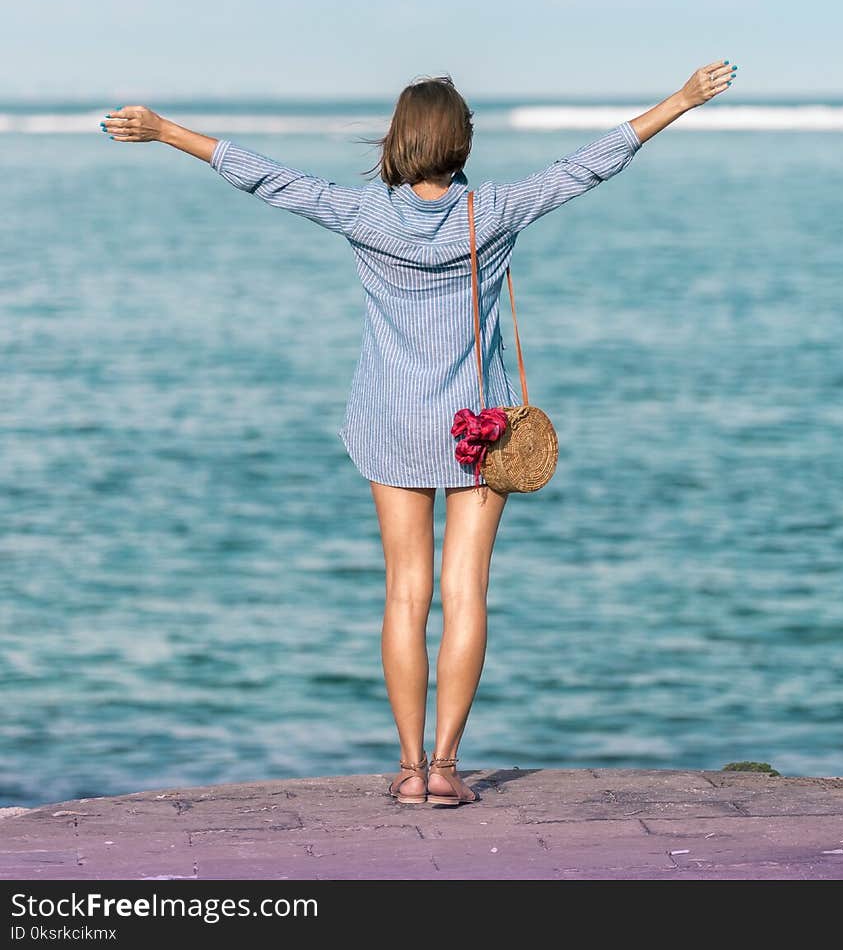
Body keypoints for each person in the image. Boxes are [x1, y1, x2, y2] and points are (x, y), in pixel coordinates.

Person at [100, 58, 737, 806]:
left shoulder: (362, 212)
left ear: (397, 142)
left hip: (392, 422)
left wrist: (164, 130)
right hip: (482, 427)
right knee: (465, 594)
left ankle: (407, 772)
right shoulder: (495, 209)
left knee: (406, 595)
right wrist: (681, 100)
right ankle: (444, 769)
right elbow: (590, 165)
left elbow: (264, 176)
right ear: (462, 142)